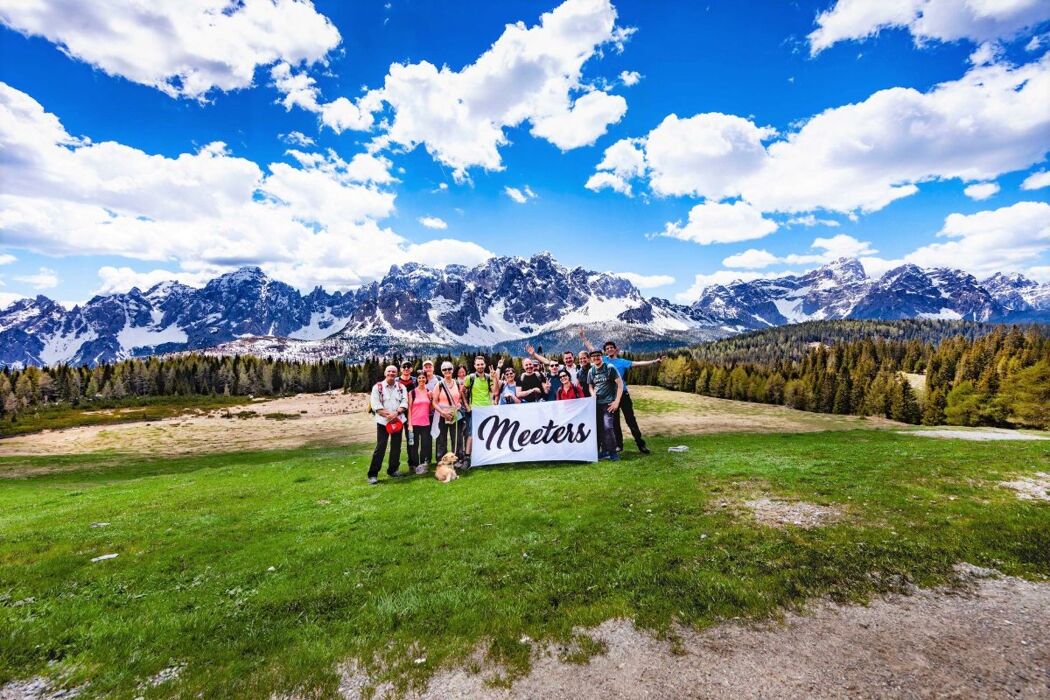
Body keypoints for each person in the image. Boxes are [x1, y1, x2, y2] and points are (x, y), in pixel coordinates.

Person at [580, 334, 663, 455]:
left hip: (623, 395)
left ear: (615, 349)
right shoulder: (604, 361)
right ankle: (619, 445)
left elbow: (638, 363)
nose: (609, 350)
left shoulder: (623, 362)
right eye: (607, 349)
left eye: (611, 348)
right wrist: (583, 337)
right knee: (615, 423)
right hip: (611, 397)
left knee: (631, 420)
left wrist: (654, 361)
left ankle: (641, 445)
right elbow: (592, 350)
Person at [368, 365, 409, 484]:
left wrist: (396, 413)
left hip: (398, 421)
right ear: (385, 373)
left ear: (396, 374)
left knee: (396, 447)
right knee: (381, 447)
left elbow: (404, 402)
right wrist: (388, 415)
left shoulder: (401, 387)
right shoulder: (378, 387)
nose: (392, 373)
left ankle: (393, 470)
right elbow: (375, 405)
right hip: (383, 422)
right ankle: (373, 474)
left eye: (394, 371)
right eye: (389, 371)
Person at [462, 355, 499, 468]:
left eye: (481, 364)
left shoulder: (489, 377)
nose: (480, 366)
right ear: (474, 365)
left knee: (487, 434)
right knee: (471, 434)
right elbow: (462, 391)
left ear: (485, 365)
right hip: (475, 410)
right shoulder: (470, 378)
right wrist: (467, 405)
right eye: (478, 364)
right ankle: (467, 458)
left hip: (487, 410)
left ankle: (486, 457)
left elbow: (495, 392)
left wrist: (495, 377)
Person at [586, 349, 623, 461]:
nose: (596, 358)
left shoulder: (610, 368)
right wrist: (593, 395)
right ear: (591, 358)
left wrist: (617, 401)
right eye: (593, 356)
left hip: (608, 403)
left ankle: (613, 453)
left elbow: (620, 384)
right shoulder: (591, 371)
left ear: (602, 356)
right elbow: (590, 386)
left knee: (608, 427)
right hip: (596, 404)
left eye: (598, 355)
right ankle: (605, 451)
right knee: (599, 428)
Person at [432, 361, 464, 464]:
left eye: (449, 369)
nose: (447, 371)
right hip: (442, 415)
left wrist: (458, 405)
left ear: (452, 370)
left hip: (455, 414)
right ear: (441, 371)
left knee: (457, 438)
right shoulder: (439, 385)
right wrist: (443, 413)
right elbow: (434, 402)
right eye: (444, 369)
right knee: (442, 439)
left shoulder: (457, 383)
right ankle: (441, 460)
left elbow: (460, 399)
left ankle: (457, 459)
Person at [408, 369, 432, 474]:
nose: (421, 379)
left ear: (426, 379)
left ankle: (422, 464)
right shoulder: (412, 393)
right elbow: (409, 408)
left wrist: (431, 399)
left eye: (423, 377)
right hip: (414, 423)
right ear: (417, 379)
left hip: (426, 423)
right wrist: (409, 424)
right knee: (414, 445)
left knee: (425, 445)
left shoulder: (428, 392)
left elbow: (431, 408)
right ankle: (415, 465)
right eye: (419, 378)